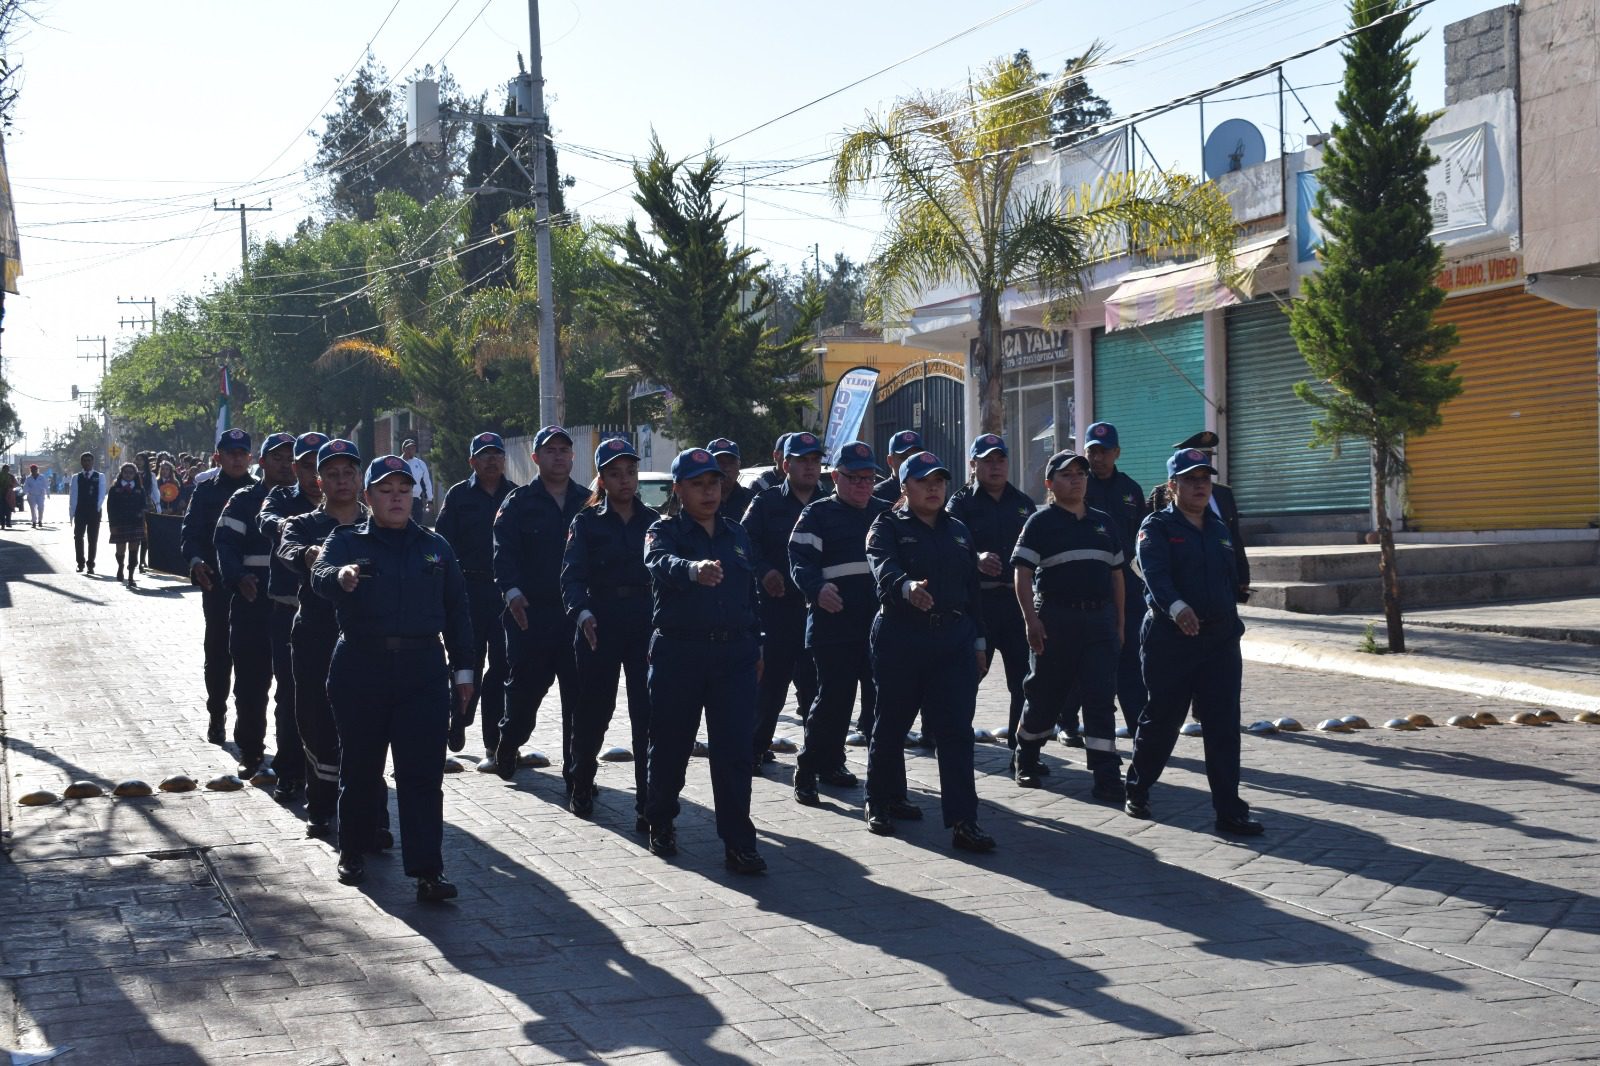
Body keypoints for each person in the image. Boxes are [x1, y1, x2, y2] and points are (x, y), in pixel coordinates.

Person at [311, 454, 475, 901]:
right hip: (361, 667)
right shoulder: (346, 541)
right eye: (385, 490)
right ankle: (353, 849)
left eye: (404, 489)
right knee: (361, 767)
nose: (397, 497)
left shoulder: (436, 547)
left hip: (422, 670)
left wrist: (464, 671)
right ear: (368, 498)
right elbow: (320, 575)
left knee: (422, 774)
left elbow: (459, 612)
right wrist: (340, 577)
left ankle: (428, 871)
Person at [1124, 447, 1262, 837]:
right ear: (1173, 486)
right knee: (1163, 719)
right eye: (1190, 480)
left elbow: (1230, 576)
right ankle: (1138, 785)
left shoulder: (1219, 529)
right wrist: (1178, 607)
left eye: (1205, 479)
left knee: (1223, 725)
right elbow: (1154, 574)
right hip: (1172, 639)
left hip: (1219, 640)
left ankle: (1229, 810)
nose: (1200, 486)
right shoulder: (1156, 527)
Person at [642, 447, 766, 874]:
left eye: (713, 483)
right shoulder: (664, 531)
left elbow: (751, 594)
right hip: (681, 651)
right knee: (672, 744)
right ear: (679, 490)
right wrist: (692, 571)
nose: (709, 492)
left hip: (733, 654)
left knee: (734, 751)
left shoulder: (736, 533)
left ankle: (739, 843)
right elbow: (657, 562)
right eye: (697, 485)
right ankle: (660, 819)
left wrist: (757, 641)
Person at [864, 451, 994, 851]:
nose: (934, 487)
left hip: (953, 639)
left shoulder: (958, 529)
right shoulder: (886, 525)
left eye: (939, 480)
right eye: (923, 481)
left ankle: (963, 821)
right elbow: (881, 565)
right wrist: (907, 587)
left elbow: (972, 591)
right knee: (892, 722)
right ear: (904, 487)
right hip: (902, 636)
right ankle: (879, 800)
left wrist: (979, 641)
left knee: (956, 730)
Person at [1010, 451, 1127, 799]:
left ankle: (1106, 774)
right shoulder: (1040, 522)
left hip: (1099, 621)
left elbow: (1117, 575)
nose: (1076, 479)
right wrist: (1031, 620)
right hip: (1056, 620)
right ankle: (1026, 757)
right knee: (1044, 695)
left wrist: (1120, 623)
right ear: (1050, 484)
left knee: (1100, 697)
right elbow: (1022, 574)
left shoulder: (1104, 522)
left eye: (1081, 473)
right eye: (1066, 475)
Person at [279, 439, 379, 842]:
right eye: (332, 474)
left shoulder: (379, 524)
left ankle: (372, 816)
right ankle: (320, 807)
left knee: (368, 726)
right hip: (317, 638)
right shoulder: (302, 524)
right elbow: (288, 550)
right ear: (318, 481)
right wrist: (309, 555)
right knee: (317, 724)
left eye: (349, 472)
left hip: (366, 640)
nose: (342, 480)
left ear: (359, 476)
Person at [562, 437, 658, 823]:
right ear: (602, 479)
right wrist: (582, 613)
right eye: (616, 474)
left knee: (647, 713)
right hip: (598, 624)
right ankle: (581, 783)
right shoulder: (586, 523)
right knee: (593, 711)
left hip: (644, 622)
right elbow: (571, 578)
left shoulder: (654, 522)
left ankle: (648, 801)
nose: (625, 481)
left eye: (631, 473)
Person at [787, 440, 886, 805]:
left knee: (881, 706)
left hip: (879, 629)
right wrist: (816, 589)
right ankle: (810, 769)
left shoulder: (885, 513)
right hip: (834, 627)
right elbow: (798, 560)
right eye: (854, 478)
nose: (862, 485)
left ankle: (880, 783)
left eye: (868, 478)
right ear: (835, 477)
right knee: (833, 703)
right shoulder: (816, 515)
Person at [492, 426, 586, 787]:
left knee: (578, 698)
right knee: (525, 694)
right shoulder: (517, 503)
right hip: (530, 614)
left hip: (575, 615)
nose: (558, 456)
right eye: (550, 450)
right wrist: (512, 592)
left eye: (564, 450)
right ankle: (509, 741)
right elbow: (503, 554)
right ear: (535, 458)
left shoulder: (588, 500)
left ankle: (577, 773)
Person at [946, 433, 1036, 766]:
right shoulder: (960, 503)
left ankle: (1021, 750)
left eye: (1000, 459)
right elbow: (947, 547)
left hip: (1014, 604)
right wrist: (976, 557)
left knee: (1023, 681)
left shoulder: (1023, 503)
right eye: (987, 460)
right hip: (976, 605)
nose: (995, 466)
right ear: (973, 465)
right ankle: (954, 742)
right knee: (966, 677)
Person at [434, 431, 518, 770]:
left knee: (501, 667)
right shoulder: (458, 496)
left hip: (504, 594)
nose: (492, 460)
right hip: (468, 591)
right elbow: (441, 545)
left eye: (497, 454)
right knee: (467, 663)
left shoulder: (516, 496)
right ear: (473, 462)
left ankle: (493, 744)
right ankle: (458, 720)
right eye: (484, 455)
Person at [215, 432, 297, 777]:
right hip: (252, 604)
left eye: (289, 458)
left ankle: (292, 755)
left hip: (293, 609)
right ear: (261, 462)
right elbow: (225, 543)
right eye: (276, 458)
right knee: (251, 684)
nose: (283, 464)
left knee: (292, 687)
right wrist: (237, 577)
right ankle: (250, 751)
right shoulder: (244, 501)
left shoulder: (305, 501)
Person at [741, 430, 824, 771]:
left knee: (815, 687)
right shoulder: (767, 502)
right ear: (785, 464)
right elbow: (743, 543)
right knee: (770, 686)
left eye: (815, 461)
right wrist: (764, 571)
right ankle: (755, 749)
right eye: (801, 460)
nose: (809, 467)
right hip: (776, 609)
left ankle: (821, 756)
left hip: (819, 610)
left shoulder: (830, 502)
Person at [255, 431, 329, 802]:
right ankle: (290, 770)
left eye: (324, 465)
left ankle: (335, 771)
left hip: (338, 618)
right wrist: (290, 529)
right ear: (297, 468)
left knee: (338, 697)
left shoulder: (345, 505)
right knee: (292, 695)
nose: (317, 473)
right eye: (309, 465)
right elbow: (267, 520)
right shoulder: (282, 499)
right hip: (290, 610)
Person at [181, 431, 255, 745]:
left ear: (250, 458)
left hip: (254, 588)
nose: (236, 458)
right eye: (230, 453)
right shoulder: (205, 492)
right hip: (217, 585)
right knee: (218, 654)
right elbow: (190, 534)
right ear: (217, 457)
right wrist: (196, 560)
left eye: (242, 453)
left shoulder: (262, 492)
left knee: (253, 658)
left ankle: (249, 721)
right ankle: (216, 714)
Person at [1080, 421, 1150, 736]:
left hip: (1128, 589)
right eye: (1093, 451)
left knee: (1130, 662)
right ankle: (1071, 723)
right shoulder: (1078, 485)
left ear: (1117, 452)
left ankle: (1139, 728)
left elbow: (1142, 540)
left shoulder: (1131, 490)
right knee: (1085, 663)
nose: (1099, 458)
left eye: (1105, 451)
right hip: (1088, 587)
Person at [1147, 431, 1251, 602]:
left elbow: (1234, 537)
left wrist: (1242, 575)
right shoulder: (1160, 496)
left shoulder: (1223, 493)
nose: (1205, 461)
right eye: (1199, 456)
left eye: (1208, 456)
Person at [105, 461, 148, 589]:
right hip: (120, 523)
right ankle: (120, 566)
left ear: (135, 474)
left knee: (134, 550)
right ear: (121, 473)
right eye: (125, 472)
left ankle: (130, 576)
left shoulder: (139, 489)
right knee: (120, 550)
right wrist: (112, 525)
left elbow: (144, 505)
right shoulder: (115, 489)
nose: (128, 475)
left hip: (135, 523)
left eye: (131, 472)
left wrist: (144, 515)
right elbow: (110, 508)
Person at [70, 452, 105, 574]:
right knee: (78, 537)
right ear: (81, 462)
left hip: (94, 511)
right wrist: (72, 513)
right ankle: (80, 562)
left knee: (93, 539)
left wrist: (97, 507)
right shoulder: (76, 477)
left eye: (89, 460)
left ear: (93, 462)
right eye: (84, 460)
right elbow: (73, 495)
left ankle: (91, 564)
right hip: (80, 511)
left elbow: (101, 494)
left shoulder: (99, 476)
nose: (87, 462)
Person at [708, 437, 753, 524]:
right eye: (720, 462)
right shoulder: (699, 500)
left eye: (731, 462)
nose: (726, 468)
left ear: (739, 465)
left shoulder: (751, 499)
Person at [872, 429, 923, 503]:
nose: (912, 462)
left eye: (916, 457)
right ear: (890, 460)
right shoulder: (877, 495)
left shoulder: (930, 492)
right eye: (904, 458)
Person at [401, 438, 434, 526]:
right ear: (403, 449)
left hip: (416, 499)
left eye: (413, 448)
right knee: (403, 525)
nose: (411, 450)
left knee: (417, 526)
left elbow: (427, 482)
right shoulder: (398, 463)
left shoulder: (420, 464)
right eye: (408, 448)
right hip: (402, 498)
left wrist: (429, 500)